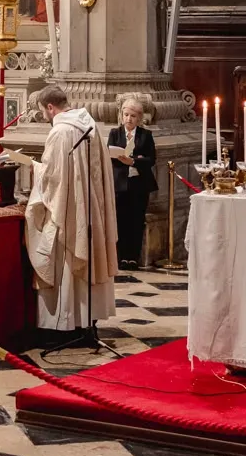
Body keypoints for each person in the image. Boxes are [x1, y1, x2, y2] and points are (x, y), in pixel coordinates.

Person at [25, 83, 118, 331]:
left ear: (50, 107)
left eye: (43, 112)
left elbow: (54, 178)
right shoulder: (90, 124)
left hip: (71, 210)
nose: (44, 117)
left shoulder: (60, 132)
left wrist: (35, 167)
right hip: (91, 208)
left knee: (65, 258)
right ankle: (87, 320)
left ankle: (67, 323)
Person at [108, 94, 157, 270]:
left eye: (133, 116)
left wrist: (134, 161)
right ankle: (122, 257)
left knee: (136, 221)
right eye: (126, 115)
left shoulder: (145, 135)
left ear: (139, 118)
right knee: (121, 220)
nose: (129, 119)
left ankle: (133, 257)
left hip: (138, 185)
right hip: (120, 184)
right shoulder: (115, 133)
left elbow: (151, 159)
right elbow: (110, 155)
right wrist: (121, 158)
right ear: (121, 115)